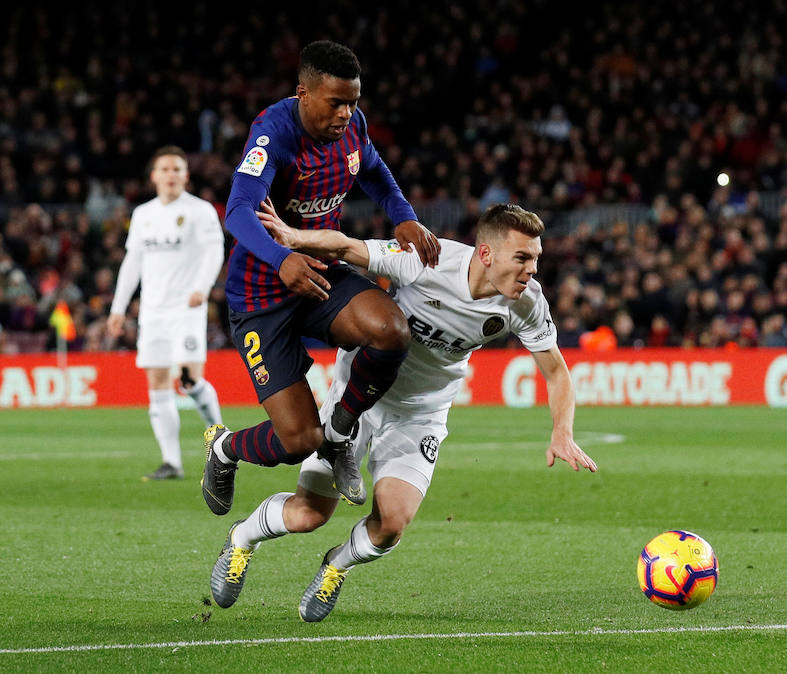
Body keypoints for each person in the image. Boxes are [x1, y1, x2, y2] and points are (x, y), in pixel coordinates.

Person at [208, 202, 597, 621]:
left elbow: (557, 373)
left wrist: (563, 431)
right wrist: (292, 237)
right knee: (308, 515)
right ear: (486, 254)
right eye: (522, 257)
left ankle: (336, 566)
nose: (531, 270)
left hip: (422, 414)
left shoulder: (526, 304)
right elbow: (349, 247)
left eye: (535, 259)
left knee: (391, 525)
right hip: (359, 398)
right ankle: (243, 537)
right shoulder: (428, 260)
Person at [201, 40, 440, 513]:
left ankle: (340, 435)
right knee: (295, 440)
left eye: (353, 102)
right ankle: (225, 448)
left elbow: (373, 170)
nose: (346, 114)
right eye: (335, 103)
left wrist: (403, 215)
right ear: (304, 94)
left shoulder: (354, 128)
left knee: (390, 330)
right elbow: (238, 210)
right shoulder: (274, 133)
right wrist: (279, 258)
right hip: (261, 295)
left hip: (319, 275)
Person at [107, 145, 225, 481]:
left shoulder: (200, 211)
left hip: (186, 307)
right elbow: (133, 262)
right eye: (165, 169)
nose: (171, 174)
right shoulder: (144, 213)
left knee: (189, 380)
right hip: (152, 312)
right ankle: (171, 462)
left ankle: (219, 439)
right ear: (154, 176)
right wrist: (118, 308)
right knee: (157, 384)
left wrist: (202, 288)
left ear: (186, 176)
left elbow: (214, 250)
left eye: (177, 169)